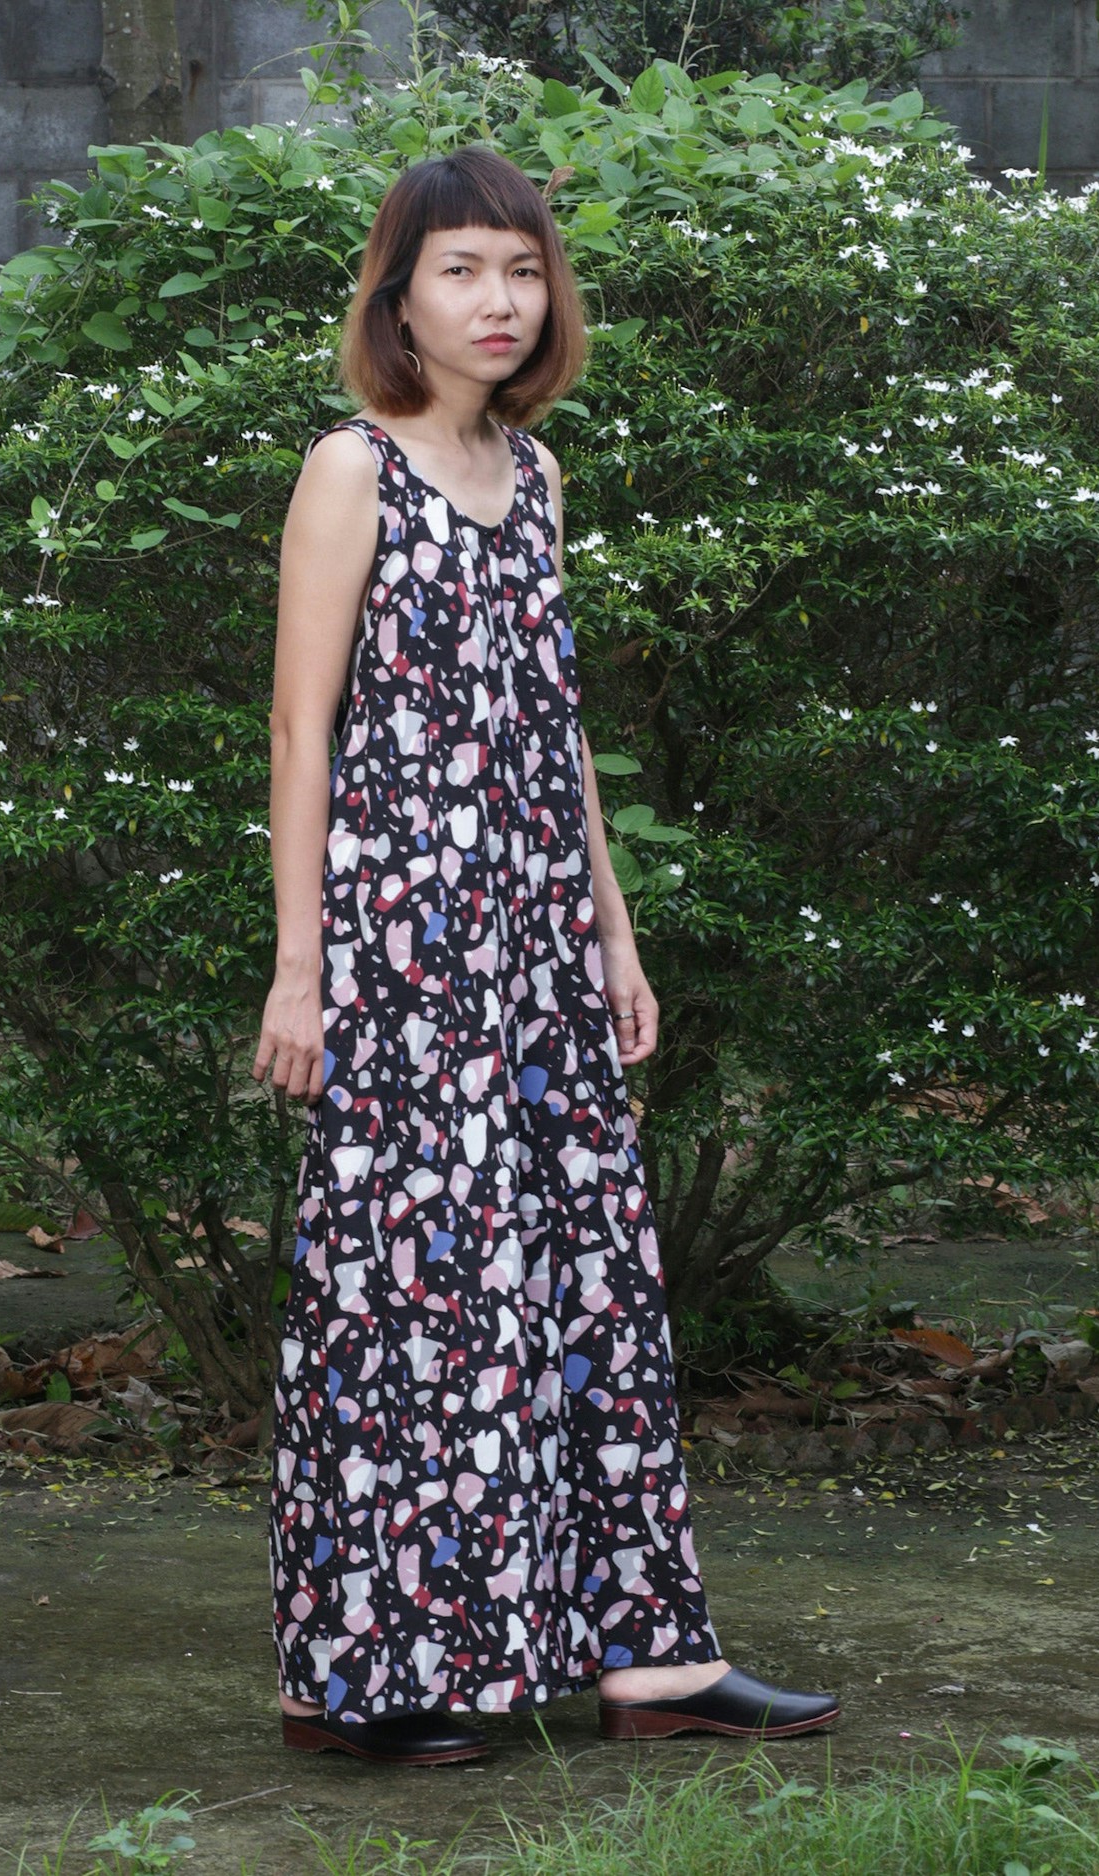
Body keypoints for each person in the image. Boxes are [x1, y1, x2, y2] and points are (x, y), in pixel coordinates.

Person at [251, 144, 840, 1769]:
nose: (496, 300)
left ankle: (648, 1658)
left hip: (539, 947)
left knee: (586, 1281)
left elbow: (551, 725)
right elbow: (300, 730)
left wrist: (613, 934)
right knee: (418, 1291)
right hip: (404, 943)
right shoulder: (350, 471)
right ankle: (365, 1674)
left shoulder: (536, 473)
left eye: (520, 270)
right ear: (398, 297)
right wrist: (301, 967)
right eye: (459, 269)